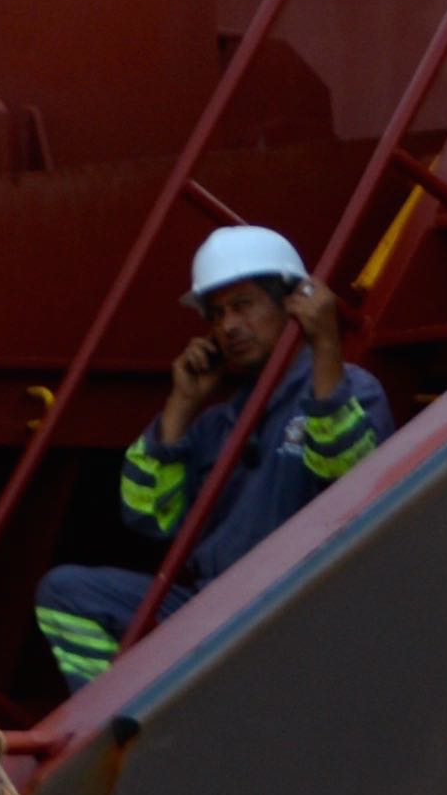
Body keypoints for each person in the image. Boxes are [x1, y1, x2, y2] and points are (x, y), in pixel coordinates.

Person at [30, 224, 393, 693]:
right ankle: (118, 726)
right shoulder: (217, 424)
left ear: (294, 302)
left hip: (301, 605)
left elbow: (352, 481)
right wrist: (181, 405)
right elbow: (146, 514)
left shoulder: (351, 388)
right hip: (212, 611)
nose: (228, 326)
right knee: (65, 594)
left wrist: (325, 345)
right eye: (217, 314)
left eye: (243, 305)